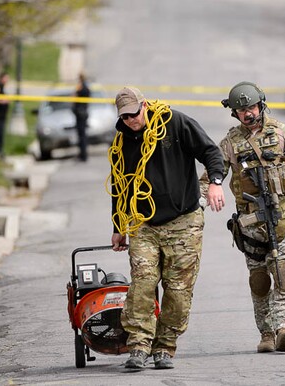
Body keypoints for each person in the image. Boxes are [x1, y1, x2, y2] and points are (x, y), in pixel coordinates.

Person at [108, 86, 226, 371]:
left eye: (134, 114)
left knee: (177, 290)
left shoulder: (175, 123)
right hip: (143, 223)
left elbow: (211, 152)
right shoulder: (122, 140)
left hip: (183, 222)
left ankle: (164, 346)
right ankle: (138, 345)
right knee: (143, 283)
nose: (131, 120)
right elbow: (120, 186)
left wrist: (215, 183)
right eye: (124, 117)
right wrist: (118, 225)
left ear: (145, 106)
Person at [201, 81, 285, 354]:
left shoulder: (283, 134)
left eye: (251, 107)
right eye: (241, 110)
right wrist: (201, 200)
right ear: (234, 113)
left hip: (284, 215)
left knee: (284, 272)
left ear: (261, 104)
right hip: (250, 222)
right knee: (259, 279)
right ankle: (266, 333)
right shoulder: (231, 143)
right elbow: (211, 175)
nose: (247, 113)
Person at [72, 73, 91, 161]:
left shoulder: (81, 87)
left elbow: (75, 96)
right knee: (82, 135)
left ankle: (83, 155)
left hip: (80, 113)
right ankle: (83, 154)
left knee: (82, 135)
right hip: (83, 112)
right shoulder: (87, 87)